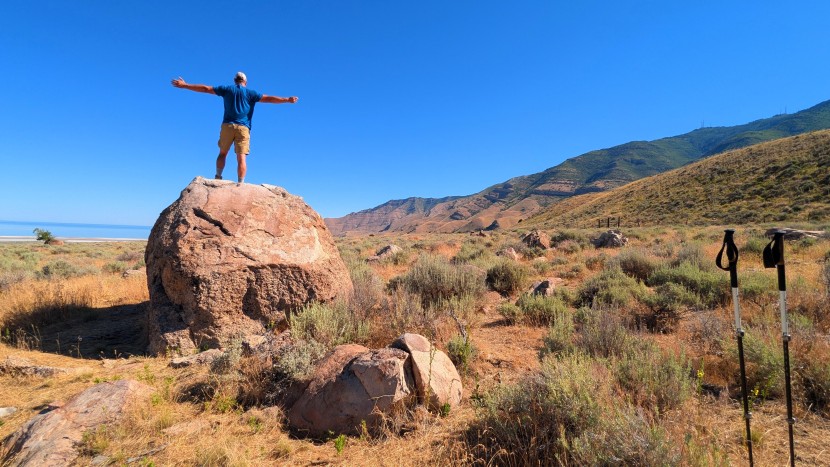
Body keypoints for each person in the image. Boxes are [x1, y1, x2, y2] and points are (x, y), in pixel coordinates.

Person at [171, 72, 298, 185]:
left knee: (222, 153)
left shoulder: (227, 89)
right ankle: (240, 183)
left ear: (234, 80)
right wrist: (287, 99)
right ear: (245, 82)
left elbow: (206, 89)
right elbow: (269, 98)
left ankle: (218, 177)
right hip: (243, 128)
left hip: (227, 125)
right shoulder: (250, 93)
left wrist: (185, 85)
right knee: (241, 157)